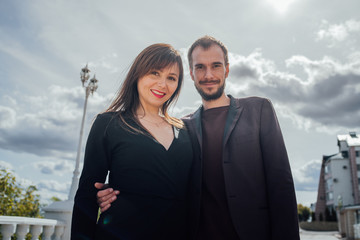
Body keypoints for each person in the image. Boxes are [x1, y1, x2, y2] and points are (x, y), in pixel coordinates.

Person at [95, 36, 300, 240]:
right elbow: (163, 179)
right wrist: (115, 192)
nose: (208, 74)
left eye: (216, 66)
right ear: (191, 74)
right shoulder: (182, 127)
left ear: (226, 70)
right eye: (200, 67)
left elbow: (281, 185)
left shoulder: (259, 110)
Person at [71, 43, 193, 240]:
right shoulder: (108, 124)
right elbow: (86, 197)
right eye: (155, 73)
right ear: (138, 74)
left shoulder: (186, 131)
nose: (162, 84)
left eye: (171, 78)